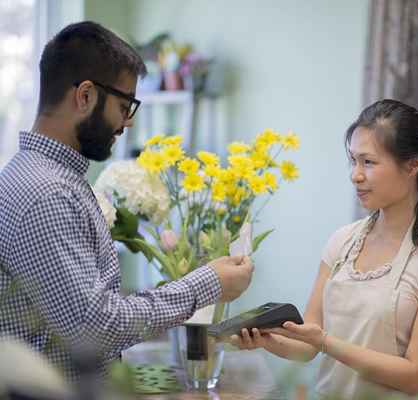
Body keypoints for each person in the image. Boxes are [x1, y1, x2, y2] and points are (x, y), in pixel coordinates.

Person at [0, 21, 253, 381]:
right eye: (125, 105)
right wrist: (207, 283)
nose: (127, 124)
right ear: (85, 96)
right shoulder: (48, 194)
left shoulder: (42, 176)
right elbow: (96, 326)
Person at [231, 99, 418, 399]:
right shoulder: (343, 241)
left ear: (413, 164)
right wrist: (265, 338)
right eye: (353, 160)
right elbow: (308, 345)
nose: (355, 175)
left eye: (368, 162)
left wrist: (326, 343)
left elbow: (415, 376)